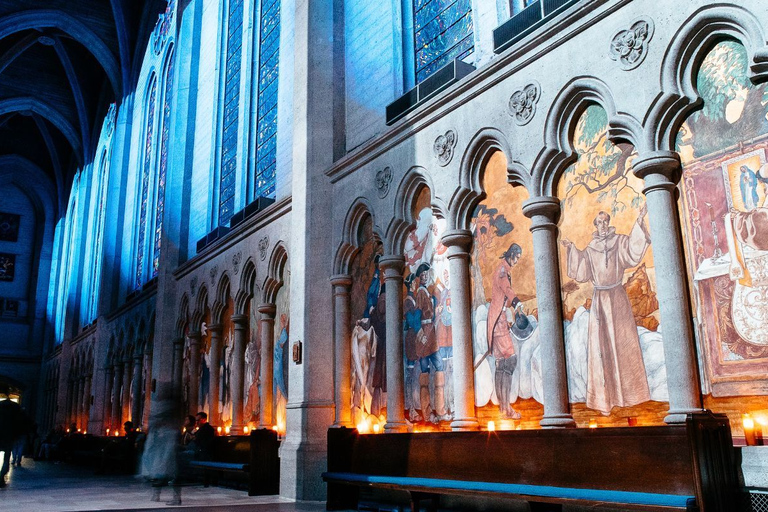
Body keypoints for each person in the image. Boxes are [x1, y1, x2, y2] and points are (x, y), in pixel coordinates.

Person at [561, 205, 652, 414]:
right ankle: (605, 400)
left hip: (617, 297)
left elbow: (632, 251)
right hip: (600, 300)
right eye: (598, 222)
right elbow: (581, 271)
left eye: (604, 221)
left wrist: (639, 218)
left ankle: (629, 395)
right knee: (602, 348)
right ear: (595, 225)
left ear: (608, 222)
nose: (602, 225)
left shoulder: (619, 241)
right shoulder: (591, 248)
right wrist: (571, 249)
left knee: (622, 344)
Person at [487, 243, 524, 419]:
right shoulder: (502, 270)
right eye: (516, 257)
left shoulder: (504, 268)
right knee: (511, 361)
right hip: (497, 322)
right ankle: (507, 408)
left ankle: (503, 408)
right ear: (511, 254)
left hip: (497, 320)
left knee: (501, 364)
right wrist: (516, 302)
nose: (517, 261)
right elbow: (506, 289)